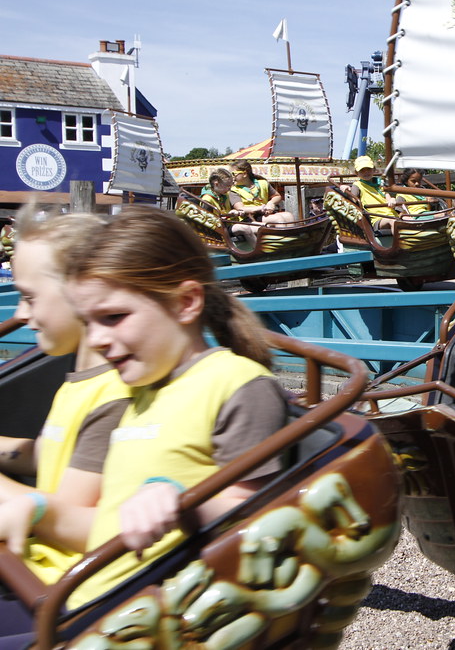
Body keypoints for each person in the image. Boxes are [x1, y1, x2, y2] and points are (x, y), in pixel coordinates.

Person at [6, 207, 290, 613]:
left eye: (114, 317)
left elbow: (258, 523)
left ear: (186, 302)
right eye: (90, 322)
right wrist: (36, 510)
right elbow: (109, 527)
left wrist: (176, 497)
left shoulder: (236, 383)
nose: (99, 339)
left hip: (128, 617)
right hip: (80, 601)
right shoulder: (144, 389)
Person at [0, 208, 131, 587]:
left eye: (29, 297)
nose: (21, 314)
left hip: (51, 578)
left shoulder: (114, 394)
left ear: (81, 290)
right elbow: (49, 454)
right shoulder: (79, 380)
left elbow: (60, 510)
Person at [229, 159, 295, 226]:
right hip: (248, 218)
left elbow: (277, 196)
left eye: (234, 174)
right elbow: (240, 208)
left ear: (245, 174)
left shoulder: (263, 183)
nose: (232, 177)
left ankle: (293, 236)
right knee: (278, 219)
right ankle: (282, 235)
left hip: (264, 214)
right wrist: (260, 208)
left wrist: (271, 203)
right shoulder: (234, 190)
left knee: (289, 216)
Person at [201, 167, 256, 247]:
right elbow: (205, 222)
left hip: (230, 224)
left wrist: (237, 212)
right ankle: (256, 254)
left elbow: (233, 210)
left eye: (230, 186)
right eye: (227, 186)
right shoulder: (207, 199)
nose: (229, 189)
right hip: (219, 229)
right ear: (216, 184)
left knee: (260, 228)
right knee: (245, 228)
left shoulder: (225, 195)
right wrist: (227, 216)